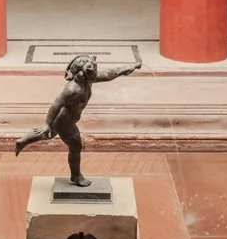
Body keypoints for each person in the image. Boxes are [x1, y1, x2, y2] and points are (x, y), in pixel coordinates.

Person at [14, 54, 140, 186]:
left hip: (66, 119)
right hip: (65, 122)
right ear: (85, 71)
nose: (96, 73)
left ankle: (22, 141)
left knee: (48, 134)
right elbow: (56, 104)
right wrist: (46, 123)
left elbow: (108, 75)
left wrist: (126, 68)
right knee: (75, 146)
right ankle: (76, 176)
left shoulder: (88, 80)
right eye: (94, 70)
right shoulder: (72, 89)